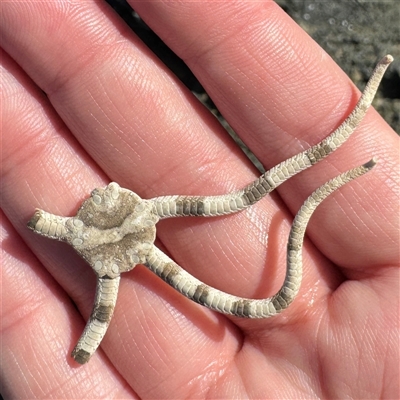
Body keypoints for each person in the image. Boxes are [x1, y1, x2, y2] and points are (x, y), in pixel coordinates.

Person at [1, 2, 398, 398]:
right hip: (112, 235)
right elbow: (96, 313)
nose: (106, 191)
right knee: (246, 196)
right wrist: (87, 338)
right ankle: (365, 99)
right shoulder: (93, 245)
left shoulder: (83, 239)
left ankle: (363, 103)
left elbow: (96, 313)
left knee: (248, 196)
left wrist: (88, 338)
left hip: (111, 234)